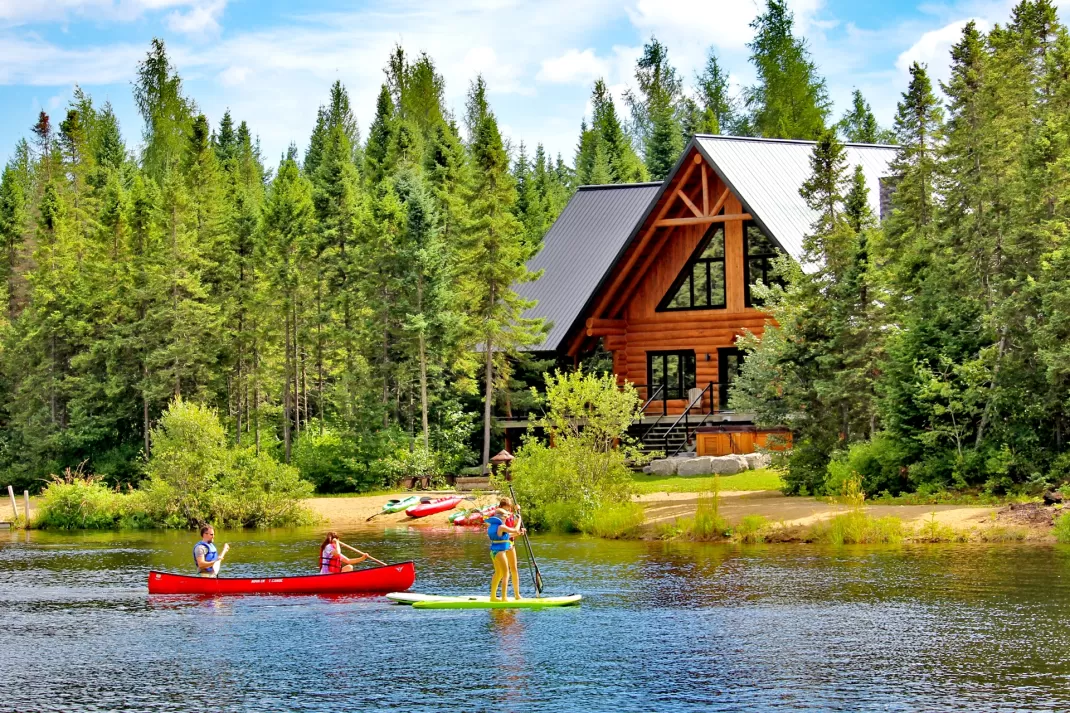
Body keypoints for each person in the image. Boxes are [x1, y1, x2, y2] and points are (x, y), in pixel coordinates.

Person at [487, 498, 525, 602]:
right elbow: (508, 532)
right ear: (501, 507)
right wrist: (519, 523)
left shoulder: (508, 516)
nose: (508, 509)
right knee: (503, 573)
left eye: (509, 507)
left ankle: (516, 595)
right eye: (506, 507)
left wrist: (519, 531)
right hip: (502, 548)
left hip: (506, 545)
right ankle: (503, 598)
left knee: (513, 569)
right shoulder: (500, 520)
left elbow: (510, 533)